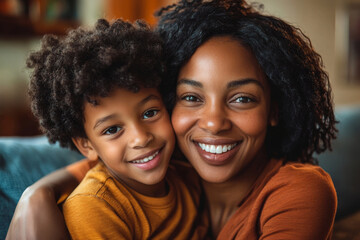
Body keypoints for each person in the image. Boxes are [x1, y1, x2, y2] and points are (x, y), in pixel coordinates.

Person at [6, 0, 338, 239]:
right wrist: (36, 196)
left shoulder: (300, 190)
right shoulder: (170, 163)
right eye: (191, 98)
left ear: (275, 110)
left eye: (241, 99)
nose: (213, 123)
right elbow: (102, 166)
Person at [9, 18, 208, 240]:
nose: (140, 138)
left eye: (150, 113)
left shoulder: (188, 177)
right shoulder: (95, 205)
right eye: (112, 129)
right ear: (87, 145)